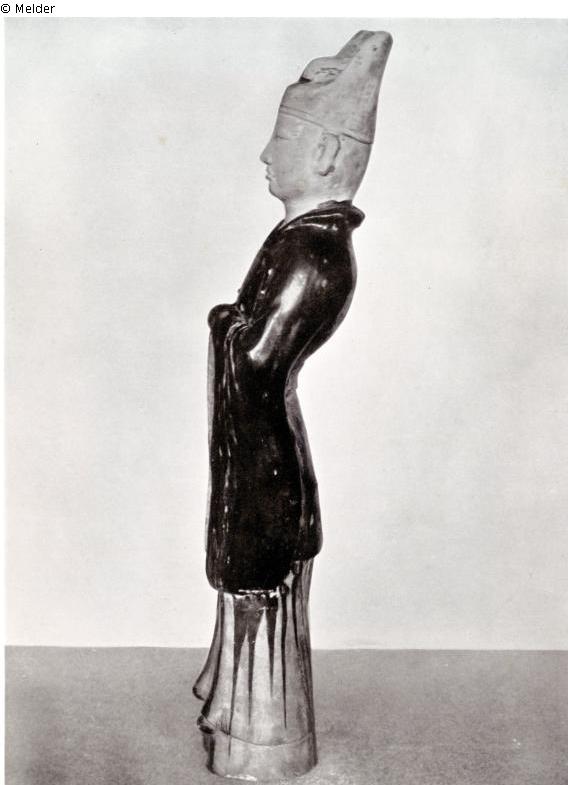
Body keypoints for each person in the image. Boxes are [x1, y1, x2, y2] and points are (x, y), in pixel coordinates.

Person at [194, 30, 393, 781]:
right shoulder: (299, 239)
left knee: (262, 588)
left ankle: (263, 737)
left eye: (280, 140)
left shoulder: (314, 252)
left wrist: (225, 322)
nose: (264, 156)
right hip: (257, 452)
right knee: (254, 592)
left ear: (325, 153)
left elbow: (255, 358)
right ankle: (244, 722)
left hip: (266, 463)